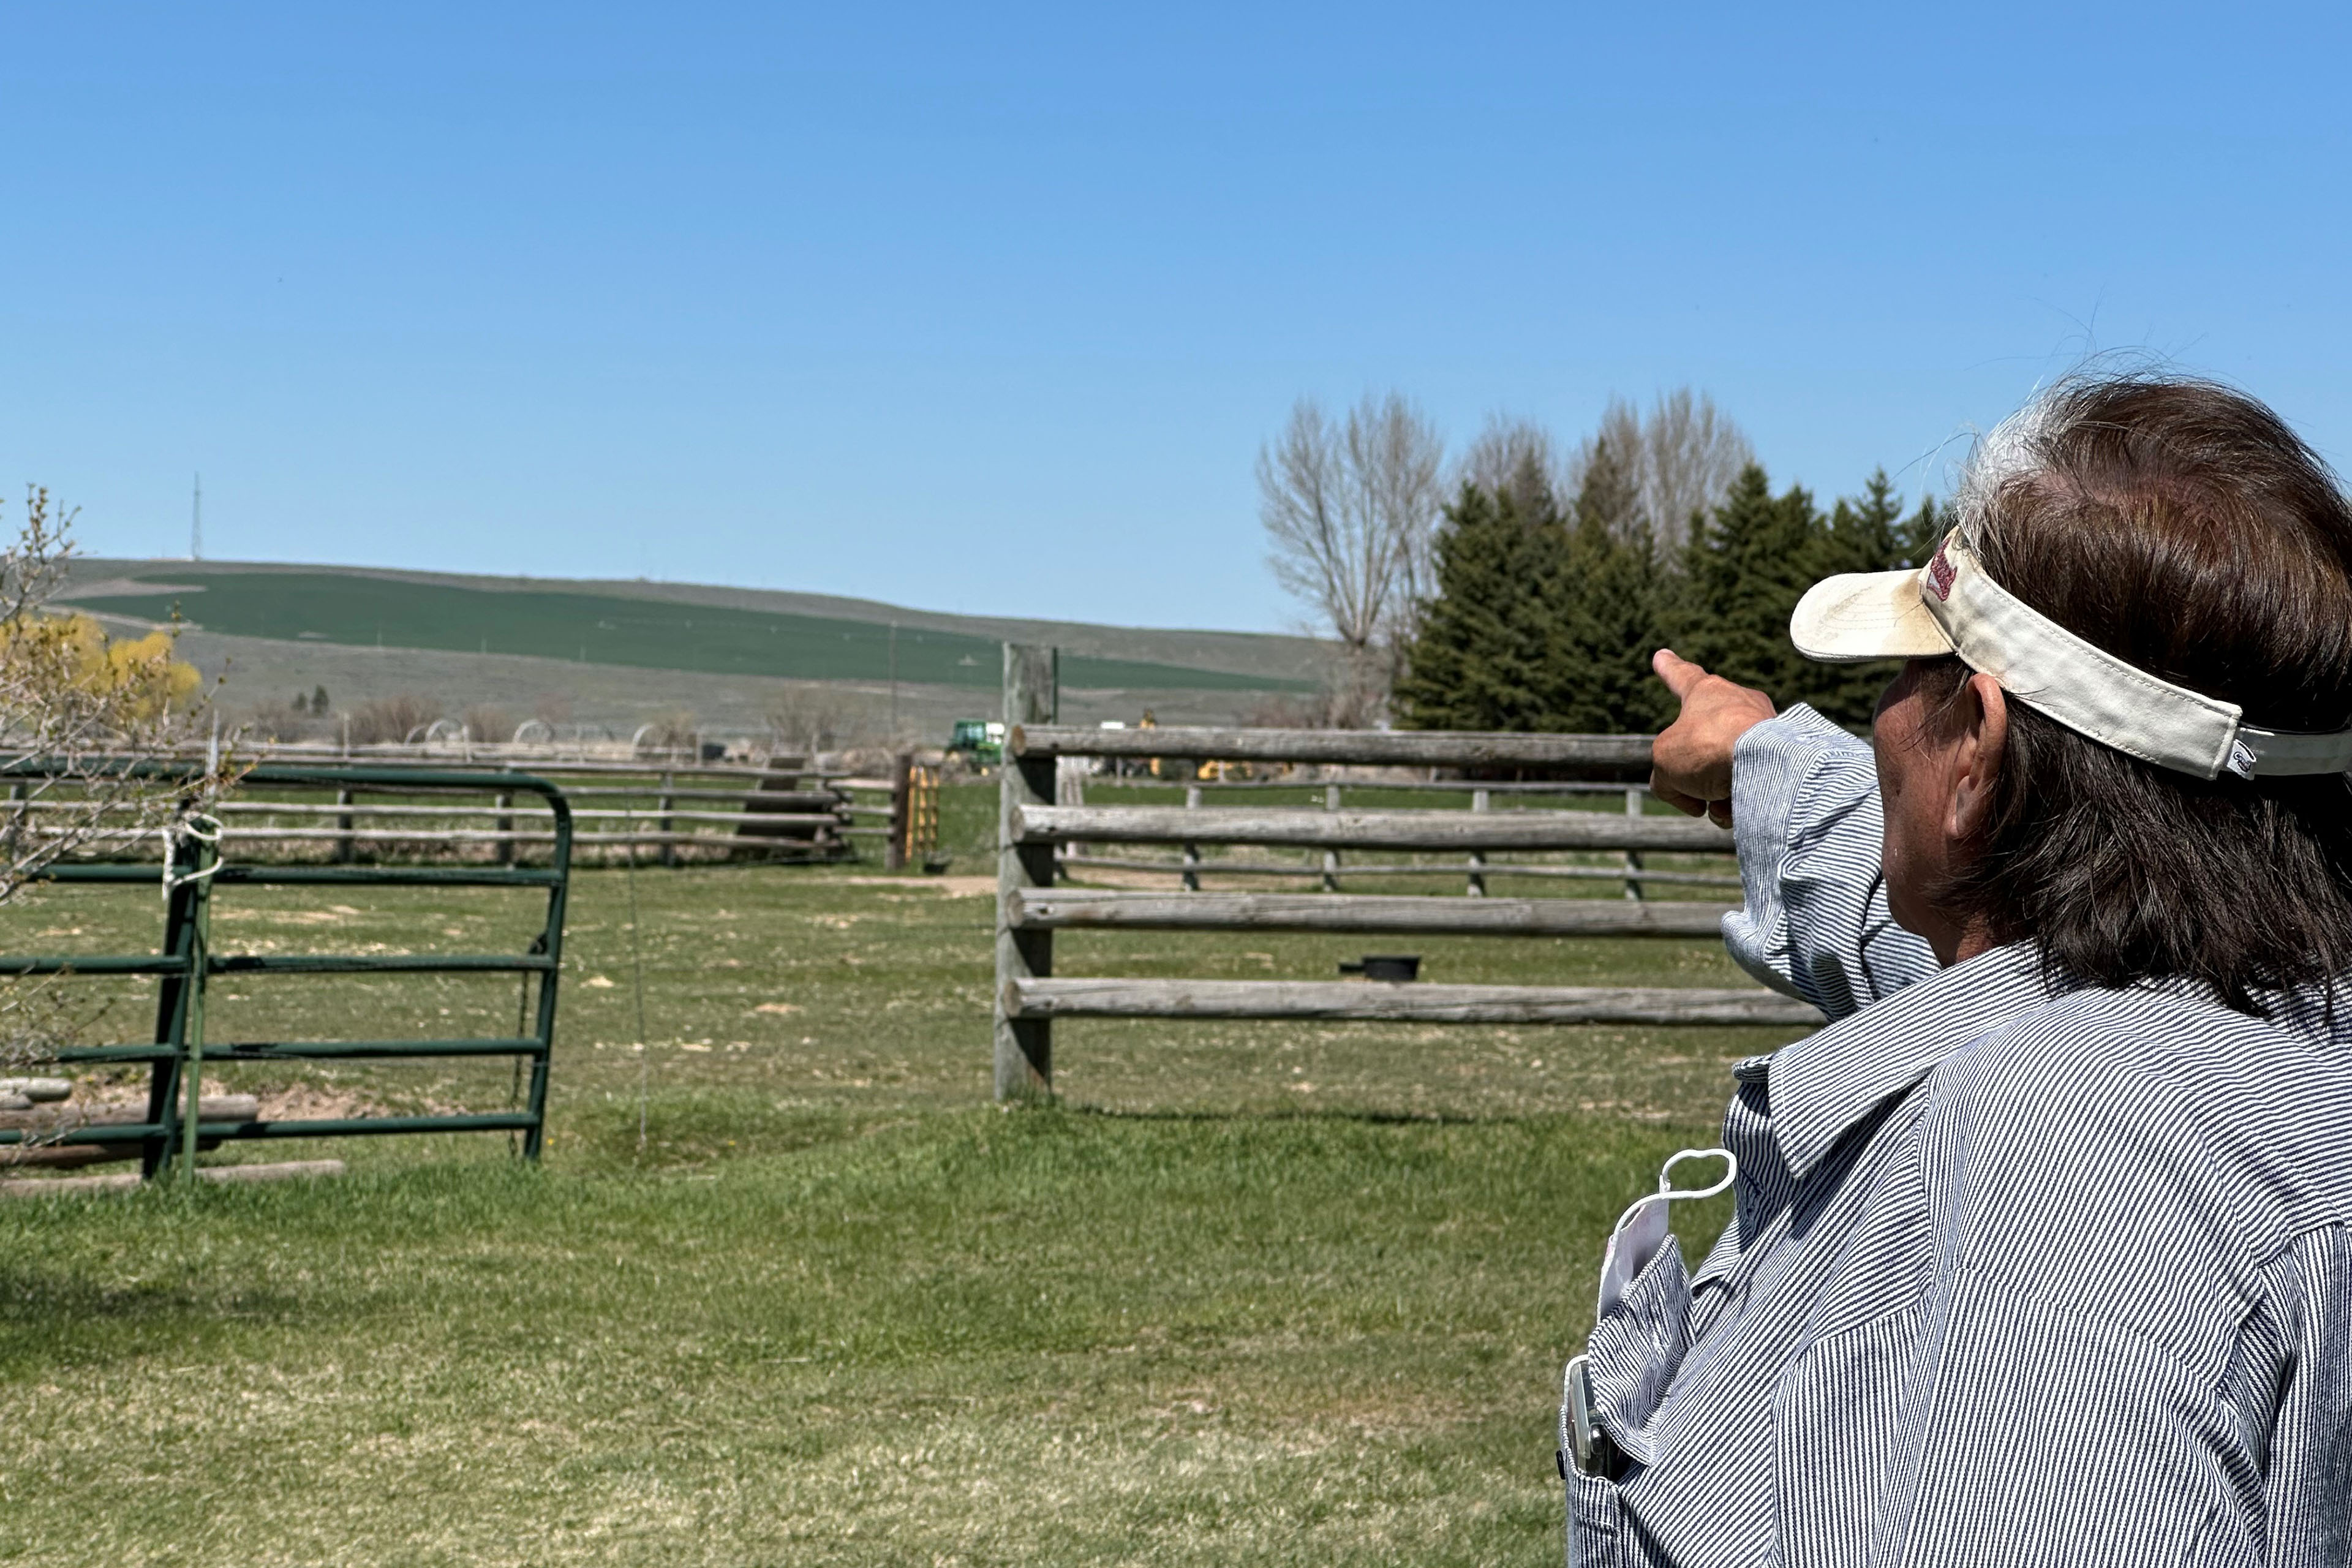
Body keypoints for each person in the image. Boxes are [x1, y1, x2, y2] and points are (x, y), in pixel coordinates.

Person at [1561, 374, 2352, 1567]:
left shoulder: (2064, 1154)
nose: (1877, 718)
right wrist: (1752, 757)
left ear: (1977, 748)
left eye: (1905, 675)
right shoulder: (2240, 1005)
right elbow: (1943, 929)